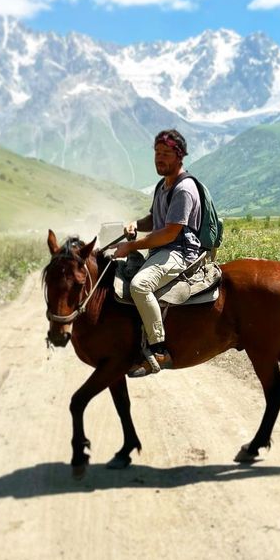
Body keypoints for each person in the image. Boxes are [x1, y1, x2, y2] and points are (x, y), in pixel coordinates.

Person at [114, 129, 201, 377]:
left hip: (180, 251)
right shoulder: (163, 185)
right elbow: (155, 219)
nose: (159, 158)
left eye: (165, 154)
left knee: (140, 286)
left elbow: (169, 233)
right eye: (156, 153)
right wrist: (135, 225)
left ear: (179, 156)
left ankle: (159, 350)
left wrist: (131, 246)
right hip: (164, 249)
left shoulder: (184, 189)